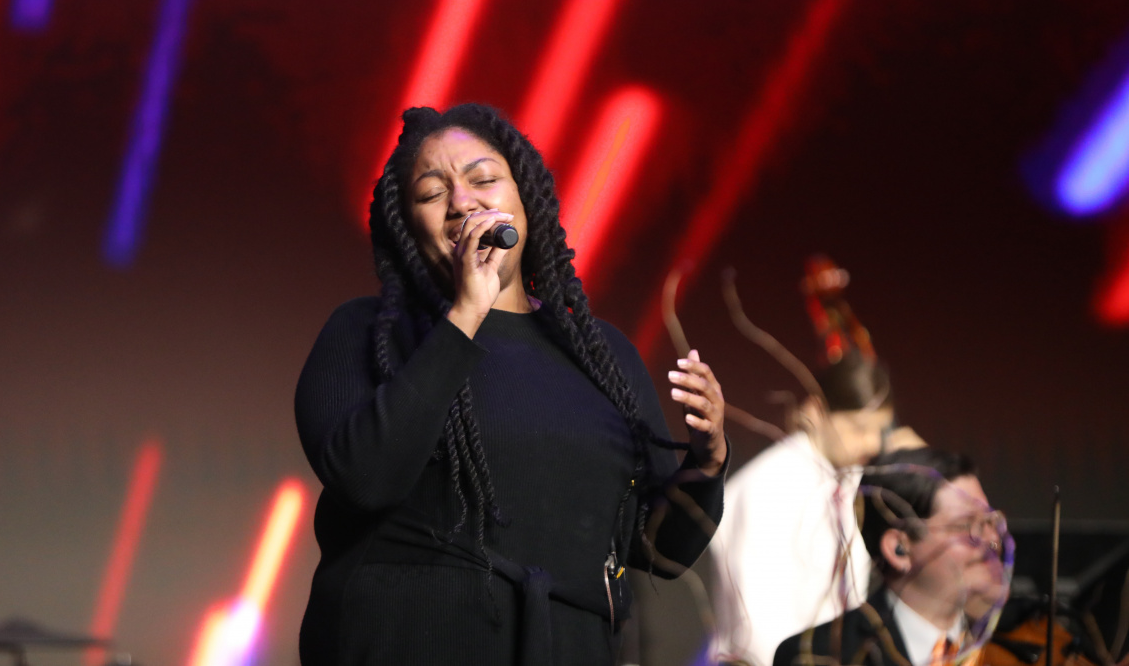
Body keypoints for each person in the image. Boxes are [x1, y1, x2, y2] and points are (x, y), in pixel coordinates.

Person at [294, 103, 729, 666]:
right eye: (432, 194)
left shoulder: (601, 354)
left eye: (483, 180)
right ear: (407, 228)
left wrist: (708, 461)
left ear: (526, 200)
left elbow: (658, 552)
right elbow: (365, 479)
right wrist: (464, 315)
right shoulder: (365, 331)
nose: (462, 202)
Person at [709, 257, 908, 666]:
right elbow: (757, 622)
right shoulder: (768, 486)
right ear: (816, 410)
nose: (871, 443)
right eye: (857, 428)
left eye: (878, 430)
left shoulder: (851, 480)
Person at [771, 447, 1009, 666]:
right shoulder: (818, 655)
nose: (991, 538)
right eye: (965, 525)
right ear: (899, 549)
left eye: (990, 521)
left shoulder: (1015, 643)